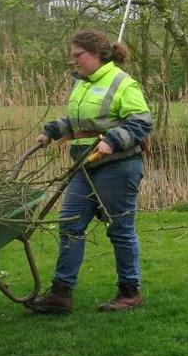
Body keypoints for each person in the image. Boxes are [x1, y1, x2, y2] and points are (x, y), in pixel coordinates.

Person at [28, 29, 153, 315]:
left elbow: (142, 122)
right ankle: (61, 294)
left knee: (120, 230)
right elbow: (79, 121)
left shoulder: (122, 83)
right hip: (84, 166)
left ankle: (129, 292)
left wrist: (112, 141)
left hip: (118, 167)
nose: (74, 61)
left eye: (77, 56)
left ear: (96, 54)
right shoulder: (82, 84)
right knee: (70, 225)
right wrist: (53, 131)